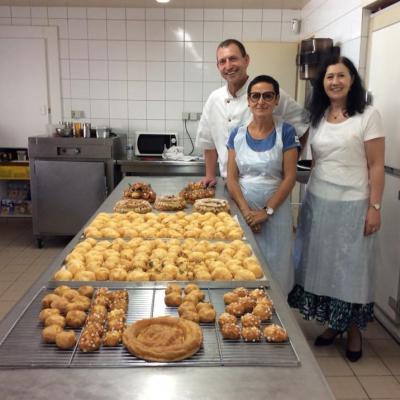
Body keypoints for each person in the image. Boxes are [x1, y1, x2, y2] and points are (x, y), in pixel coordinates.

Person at [288, 56, 385, 362]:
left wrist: (375, 206)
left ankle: (354, 331)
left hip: (354, 204)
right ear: (322, 83)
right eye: (329, 77)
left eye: (341, 76)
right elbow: (315, 160)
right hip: (318, 201)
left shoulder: (367, 115)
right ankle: (333, 325)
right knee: (324, 267)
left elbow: (376, 165)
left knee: (352, 270)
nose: (334, 82)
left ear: (352, 79)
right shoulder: (317, 116)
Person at [195, 39, 308, 185]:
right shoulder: (214, 99)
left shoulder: (266, 92)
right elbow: (208, 141)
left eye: (233, 59)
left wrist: (289, 167)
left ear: (246, 60)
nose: (228, 66)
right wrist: (210, 175)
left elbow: (302, 125)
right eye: (222, 61)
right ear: (218, 67)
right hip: (228, 182)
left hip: (266, 184)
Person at [226, 75, 299, 295]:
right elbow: (231, 178)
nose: (261, 101)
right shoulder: (236, 134)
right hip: (244, 210)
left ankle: (278, 323)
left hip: (276, 212)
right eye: (255, 96)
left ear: (276, 100)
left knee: (276, 266)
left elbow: (289, 177)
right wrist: (247, 213)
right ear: (248, 101)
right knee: (243, 264)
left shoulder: (285, 132)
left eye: (268, 96)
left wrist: (267, 211)